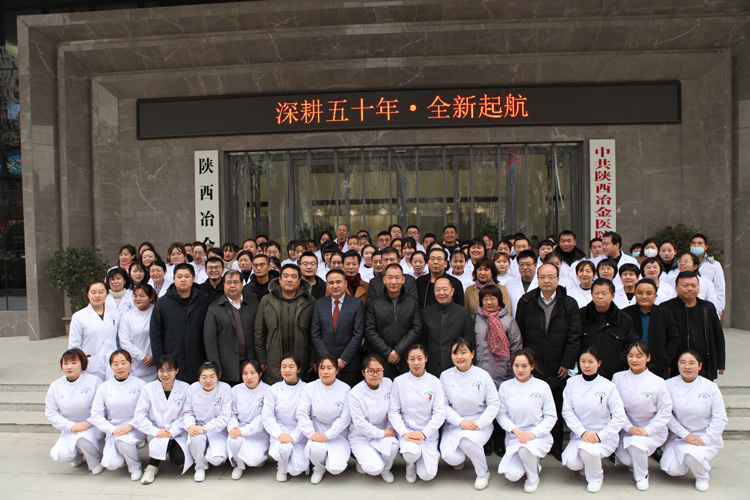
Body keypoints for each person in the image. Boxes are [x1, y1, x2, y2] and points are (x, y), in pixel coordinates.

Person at [515, 263, 582, 459]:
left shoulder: (569, 303)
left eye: (551, 277)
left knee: (556, 407)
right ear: (537, 279)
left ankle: (556, 446)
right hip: (534, 365)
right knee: (534, 407)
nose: (546, 280)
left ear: (558, 279)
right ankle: (534, 444)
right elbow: (520, 334)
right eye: (543, 277)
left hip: (558, 365)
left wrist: (567, 363)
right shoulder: (526, 301)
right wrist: (526, 363)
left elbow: (574, 336)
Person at [561, 347, 627, 493]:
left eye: (591, 362)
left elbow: (620, 417)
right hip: (580, 434)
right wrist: (582, 432)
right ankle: (589, 464)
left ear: (599, 363)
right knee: (572, 462)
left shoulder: (608, 386)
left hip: (603, 435)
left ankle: (596, 477)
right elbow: (567, 411)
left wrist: (599, 435)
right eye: (583, 361)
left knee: (588, 451)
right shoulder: (572, 383)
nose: (586, 365)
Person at [661, 351, 728, 492]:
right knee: (671, 469)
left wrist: (705, 438)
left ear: (700, 366)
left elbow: (720, 417)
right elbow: (666, 414)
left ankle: (702, 475)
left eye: (691, 363)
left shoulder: (710, 387)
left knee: (691, 455)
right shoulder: (668, 385)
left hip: (704, 435)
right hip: (680, 436)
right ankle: (694, 460)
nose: (687, 367)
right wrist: (685, 435)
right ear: (677, 365)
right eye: (683, 362)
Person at [439, 338, 501, 490]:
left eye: (463, 352)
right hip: (454, 424)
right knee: (451, 457)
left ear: (472, 354)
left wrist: (479, 423)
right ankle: (462, 458)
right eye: (455, 353)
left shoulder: (483, 375)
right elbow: (443, 405)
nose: (459, 357)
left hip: (478, 423)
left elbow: (494, 404)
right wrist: (460, 422)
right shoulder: (445, 376)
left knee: (467, 440)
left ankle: (483, 472)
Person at [613, 341, 673, 491]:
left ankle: (642, 476)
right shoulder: (618, 378)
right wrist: (628, 427)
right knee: (626, 459)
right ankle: (637, 460)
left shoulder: (657, 382)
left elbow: (665, 410)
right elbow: (616, 408)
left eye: (639, 356)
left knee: (636, 443)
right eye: (631, 355)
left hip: (652, 430)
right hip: (628, 428)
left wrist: (647, 430)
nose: (634, 360)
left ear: (648, 358)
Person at [496, 349, 557, 493]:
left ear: (532, 367)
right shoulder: (505, 387)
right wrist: (515, 430)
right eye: (516, 365)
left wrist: (533, 434)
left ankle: (533, 477)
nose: (520, 370)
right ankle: (533, 463)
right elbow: (501, 415)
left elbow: (551, 417)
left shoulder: (542, 386)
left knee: (525, 449)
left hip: (537, 436)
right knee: (511, 475)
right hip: (515, 436)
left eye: (524, 366)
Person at [388, 344, 446, 483]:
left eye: (419, 358)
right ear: (407, 361)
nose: (416, 363)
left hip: (428, 433)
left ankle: (429, 456)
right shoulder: (399, 381)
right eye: (412, 359)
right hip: (408, 431)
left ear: (426, 359)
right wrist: (404, 433)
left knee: (427, 475)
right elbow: (393, 412)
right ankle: (410, 464)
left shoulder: (434, 382)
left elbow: (440, 413)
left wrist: (424, 433)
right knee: (410, 454)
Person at [150, 263, 213, 383]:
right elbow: (155, 335)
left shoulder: (205, 300)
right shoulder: (162, 304)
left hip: (199, 360)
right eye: (179, 276)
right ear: (173, 278)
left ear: (193, 278)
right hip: (173, 362)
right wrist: (160, 363)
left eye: (187, 276)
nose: (183, 279)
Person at [134, 354, 192, 485]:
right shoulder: (148, 389)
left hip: (177, 432)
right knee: (159, 445)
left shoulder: (185, 388)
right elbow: (139, 416)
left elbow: (186, 414)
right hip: (157, 431)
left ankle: (170, 450)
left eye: (169, 370)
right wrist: (156, 432)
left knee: (179, 459)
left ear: (176, 370)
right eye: (161, 370)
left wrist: (172, 431)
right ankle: (152, 467)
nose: (165, 374)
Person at [45, 348, 105, 475]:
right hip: (70, 427)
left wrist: (88, 423)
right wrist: (71, 426)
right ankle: (76, 455)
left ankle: (94, 461)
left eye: (74, 362)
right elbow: (51, 413)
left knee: (82, 438)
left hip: (92, 425)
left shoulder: (94, 381)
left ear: (82, 363)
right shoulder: (55, 386)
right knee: (59, 455)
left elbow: (101, 407)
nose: (69, 367)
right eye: (65, 363)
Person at [254, 264, 316, 384]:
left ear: (299, 280)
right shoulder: (267, 300)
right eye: (286, 276)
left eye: (293, 277)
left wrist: (313, 358)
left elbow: (314, 333)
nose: (289, 280)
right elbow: (259, 332)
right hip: (273, 359)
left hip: (301, 359)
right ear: (280, 279)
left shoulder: (309, 301)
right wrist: (261, 359)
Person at [89, 350, 146, 481]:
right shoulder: (104, 387)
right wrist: (113, 429)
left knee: (124, 441)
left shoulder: (140, 384)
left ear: (130, 363)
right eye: (115, 364)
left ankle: (135, 466)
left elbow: (144, 411)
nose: (120, 367)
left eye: (123, 363)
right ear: (111, 366)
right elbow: (96, 415)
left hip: (135, 428)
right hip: (114, 429)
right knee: (111, 463)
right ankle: (124, 455)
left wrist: (130, 426)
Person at [296, 354, 352, 484]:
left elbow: (345, 418)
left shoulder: (345, 389)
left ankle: (330, 461)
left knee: (336, 469)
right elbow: (302, 413)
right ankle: (318, 468)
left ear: (337, 370)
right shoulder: (310, 387)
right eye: (322, 368)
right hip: (317, 430)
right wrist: (312, 433)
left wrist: (328, 435)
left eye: (329, 368)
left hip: (337, 433)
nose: (325, 372)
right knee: (316, 449)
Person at [661, 271, 725, 380]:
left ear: (699, 287)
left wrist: (720, 363)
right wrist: (665, 363)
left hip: (704, 362)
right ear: (676, 288)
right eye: (685, 285)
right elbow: (661, 339)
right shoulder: (666, 308)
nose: (690, 288)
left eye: (694, 285)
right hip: (675, 363)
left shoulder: (708, 308)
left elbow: (717, 335)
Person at [348, 354, 399, 483]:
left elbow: (393, 410)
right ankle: (363, 460)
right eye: (371, 371)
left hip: (384, 430)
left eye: (379, 370)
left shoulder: (388, 383)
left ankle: (386, 469)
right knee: (374, 468)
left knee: (393, 446)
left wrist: (388, 429)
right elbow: (360, 424)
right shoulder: (355, 393)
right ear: (363, 373)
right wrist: (382, 433)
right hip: (361, 435)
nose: (375, 374)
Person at [365, 264, 422, 379]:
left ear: (403, 279)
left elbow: (416, 328)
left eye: (397, 277)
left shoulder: (412, 302)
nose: (393, 281)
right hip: (382, 357)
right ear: (384, 280)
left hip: (406, 356)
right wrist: (388, 352)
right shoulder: (375, 304)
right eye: (390, 277)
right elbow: (369, 330)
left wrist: (398, 351)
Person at [203, 270, 259, 386]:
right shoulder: (214, 308)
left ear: (242, 284)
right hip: (227, 364)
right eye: (228, 282)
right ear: (224, 285)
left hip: (251, 361)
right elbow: (210, 340)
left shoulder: (253, 305)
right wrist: (215, 365)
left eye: (236, 282)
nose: (232, 286)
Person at [311, 269, 365, 387]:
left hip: (349, 364)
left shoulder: (356, 304)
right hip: (325, 365)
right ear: (327, 285)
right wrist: (328, 360)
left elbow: (358, 335)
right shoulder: (320, 304)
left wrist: (344, 359)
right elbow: (315, 333)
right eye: (331, 283)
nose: (335, 286)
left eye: (338, 282)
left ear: (345, 283)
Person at [579, 278, 639, 380]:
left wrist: (619, 363)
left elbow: (631, 344)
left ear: (612, 295)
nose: (600, 297)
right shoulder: (581, 316)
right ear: (591, 294)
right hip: (585, 374)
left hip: (613, 375)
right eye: (596, 293)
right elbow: (574, 341)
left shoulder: (623, 319)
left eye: (604, 293)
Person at [183, 361, 232, 482]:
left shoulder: (225, 388)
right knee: (195, 438)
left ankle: (206, 452)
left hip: (217, 430)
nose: (208, 381)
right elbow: (188, 412)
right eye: (204, 377)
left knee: (216, 459)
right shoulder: (193, 388)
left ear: (218, 376)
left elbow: (224, 417)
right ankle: (200, 466)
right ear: (198, 377)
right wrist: (190, 426)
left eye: (212, 377)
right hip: (198, 425)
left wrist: (206, 428)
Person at [262, 354, 308, 481]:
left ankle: (291, 461)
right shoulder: (274, 389)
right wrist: (279, 434)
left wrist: (294, 436)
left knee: (299, 468)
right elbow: (267, 416)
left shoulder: (307, 389)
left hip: (300, 432)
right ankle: (281, 467)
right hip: (280, 430)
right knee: (284, 448)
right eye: (284, 367)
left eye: (291, 367)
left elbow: (308, 417)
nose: (287, 370)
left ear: (299, 369)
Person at [624, 279, 682, 379]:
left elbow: (674, 338)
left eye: (649, 293)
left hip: (658, 364)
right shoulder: (626, 314)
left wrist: (666, 358)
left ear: (655, 296)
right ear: (635, 295)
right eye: (640, 293)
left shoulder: (665, 313)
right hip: (631, 363)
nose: (644, 296)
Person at [420, 277, 474, 377]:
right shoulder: (425, 313)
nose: (441, 293)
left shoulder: (463, 313)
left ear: (452, 291)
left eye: (445, 289)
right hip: (431, 368)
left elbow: (469, 342)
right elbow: (422, 342)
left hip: (457, 367)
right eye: (437, 289)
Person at [227, 360, 271, 480]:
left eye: (252, 373)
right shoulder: (236, 390)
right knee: (234, 441)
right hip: (239, 427)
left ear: (260, 374)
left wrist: (244, 431)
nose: (249, 377)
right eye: (245, 373)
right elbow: (232, 413)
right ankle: (239, 465)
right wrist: (234, 429)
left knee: (255, 460)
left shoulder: (268, 390)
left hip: (258, 432)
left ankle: (259, 457)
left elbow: (264, 417)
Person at [68, 281, 119, 381]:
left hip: (112, 363)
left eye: (101, 292)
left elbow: (118, 339)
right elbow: (74, 345)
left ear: (107, 294)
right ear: (88, 294)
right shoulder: (79, 316)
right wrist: (76, 364)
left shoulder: (115, 313)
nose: (97, 295)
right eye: (93, 292)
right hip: (90, 364)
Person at [474, 286, 523, 389]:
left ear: (499, 300)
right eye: (485, 299)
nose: (489, 302)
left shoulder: (509, 321)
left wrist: (511, 370)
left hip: (502, 372)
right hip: (479, 370)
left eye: (492, 299)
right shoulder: (475, 320)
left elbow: (516, 347)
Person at [118, 284, 158, 382]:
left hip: (155, 364)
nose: (138, 299)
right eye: (135, 296)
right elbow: (124, 342)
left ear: (150, 297)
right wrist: (143, 357)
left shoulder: (157, 313)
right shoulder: (127, 316)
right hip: (135, 365)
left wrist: (154, 356)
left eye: (142, 296)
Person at [690, 234, 726, 317]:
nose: (696, 246)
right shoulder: (683, 263)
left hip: (708, 300)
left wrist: (719, 308)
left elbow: (719, 286)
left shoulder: (715, 265)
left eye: (700, 243)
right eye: (693, 243)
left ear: (706, 247)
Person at [506, 250, 539, 315]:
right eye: (521, 264)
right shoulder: (509, 284)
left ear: (535, 265)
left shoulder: (541, 284)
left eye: (528, 264)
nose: (525, 267)